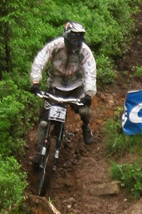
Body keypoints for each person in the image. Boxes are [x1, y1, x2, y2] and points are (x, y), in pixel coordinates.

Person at [29, 21, 97, 166]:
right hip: (55, 86)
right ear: (66, 37)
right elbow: (40, 60)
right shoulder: (55, 46)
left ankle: (86, 127)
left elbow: (90, 72)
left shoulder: (85, 52)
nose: (76, 43)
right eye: (73, 39)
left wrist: (88, 94)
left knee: (85, 111)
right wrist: (35, 82)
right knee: (43, 123)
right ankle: (39, 152)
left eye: (79, 39)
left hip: (76, 87)